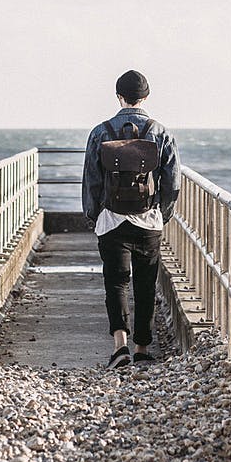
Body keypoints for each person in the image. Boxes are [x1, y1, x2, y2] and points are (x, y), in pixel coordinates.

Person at [82, 69, 180, 369]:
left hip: (111, 220)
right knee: (146, 284)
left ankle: (120, 347)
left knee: (116, 282)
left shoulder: (100, 132)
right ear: (146, 97)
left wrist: (95, 217)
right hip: (148, 221)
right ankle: (142, 348)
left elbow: (91, 181)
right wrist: (161, 214)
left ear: (119, 97)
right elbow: (172, 182)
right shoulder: (160, 132)